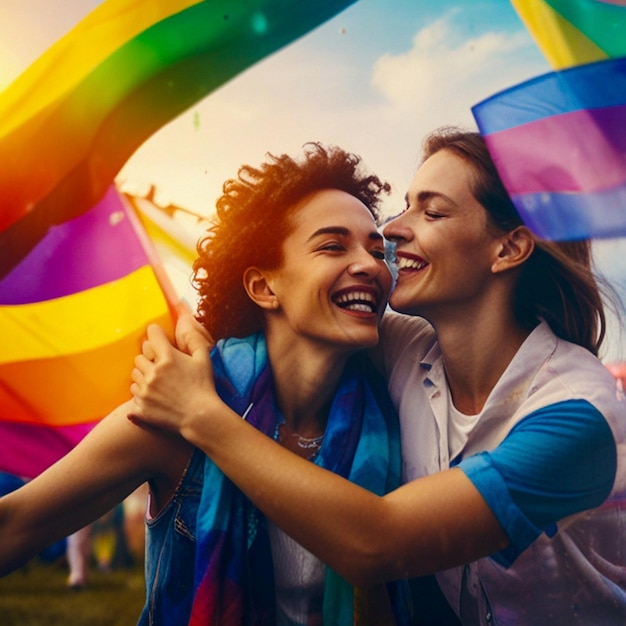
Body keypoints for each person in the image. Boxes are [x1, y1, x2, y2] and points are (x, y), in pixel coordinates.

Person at [129, 127, 626, 626]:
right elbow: (299, 318)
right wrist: (193, 345)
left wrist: (200, 413)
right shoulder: (404, 349)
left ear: (509, 248)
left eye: (431, 212)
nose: (391, 229)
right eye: (405, 205)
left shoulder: (576, 416)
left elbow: (377, 543)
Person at [0, 143, 413, 625]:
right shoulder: (171, 409)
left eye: (374, 247)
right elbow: (15, 526)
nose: (370, 265)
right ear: (263, 287)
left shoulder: (397, 405)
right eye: (332, 245)